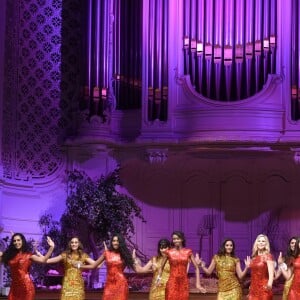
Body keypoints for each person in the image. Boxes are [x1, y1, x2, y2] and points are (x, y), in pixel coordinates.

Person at [77, 233, 135, 300]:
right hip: (109, 285)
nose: (115, 243)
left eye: (117, 241)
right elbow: (94, 265)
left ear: (121, 243)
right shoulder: (106, 253)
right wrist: (79, 266)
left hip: (121, 285)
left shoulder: (124, 255)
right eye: (113, 241)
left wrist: (134, 259)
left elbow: (137, 269)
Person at [0, 233, 55, 300]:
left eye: (18, 240)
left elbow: (43, 260)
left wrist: (51, 247)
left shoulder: (28, 255)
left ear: (22, 241)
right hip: (14, 287)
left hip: (26, 287)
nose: (16, 242)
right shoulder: (10, 255)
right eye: (14, 241)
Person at [157, 230, 206, 300]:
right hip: (172, 283)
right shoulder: (168, 252)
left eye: (178, 239)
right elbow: (161, 267)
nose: (176, 240)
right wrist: (158, 279)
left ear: (182, 239)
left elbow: (196, 268)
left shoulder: (188, 252)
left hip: (184, 283)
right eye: (174, 239)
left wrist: (198, 284)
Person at [244, 234, 274, 300]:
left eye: (263, 241)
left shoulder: (268, 256)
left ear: (266, 244)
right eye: (259, 241)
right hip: (253, 289)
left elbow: (271, 274)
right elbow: (253, 274)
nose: (261, 242)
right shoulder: (254, 258)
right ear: (256, 243)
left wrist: (269, 284)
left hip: (264, 288)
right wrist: (248, 266)